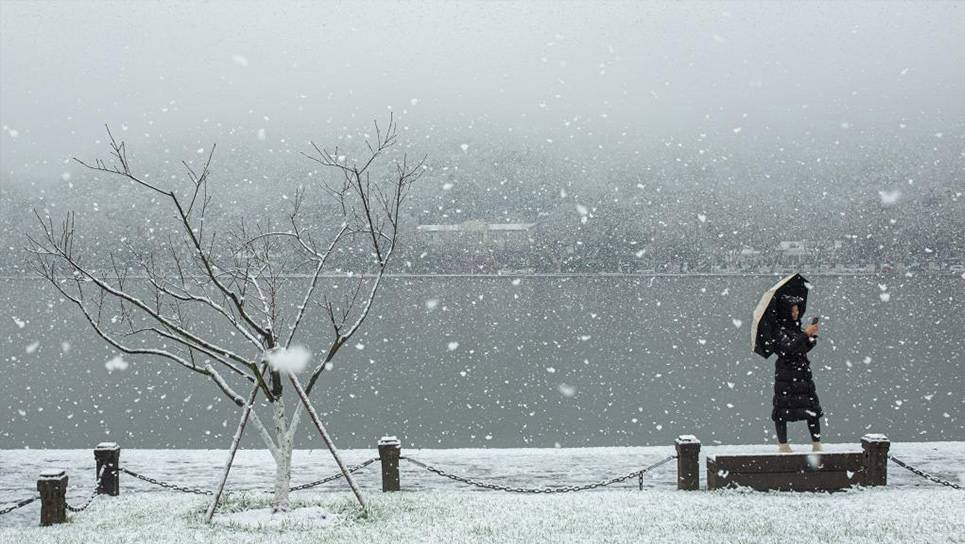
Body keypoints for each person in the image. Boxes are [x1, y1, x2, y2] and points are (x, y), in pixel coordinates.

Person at [771, 294, 824, 452]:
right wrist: (805, 335)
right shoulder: (779, 330)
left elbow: (801, 348)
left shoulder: (795, 328)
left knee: (812, 408)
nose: (795, 313)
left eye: (797, 310)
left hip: (802, 374)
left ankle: (816, 444)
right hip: (786, 375)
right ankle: (783, 445)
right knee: (782, 410)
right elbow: (787, 349)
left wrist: (811, 338)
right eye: (792, 310)